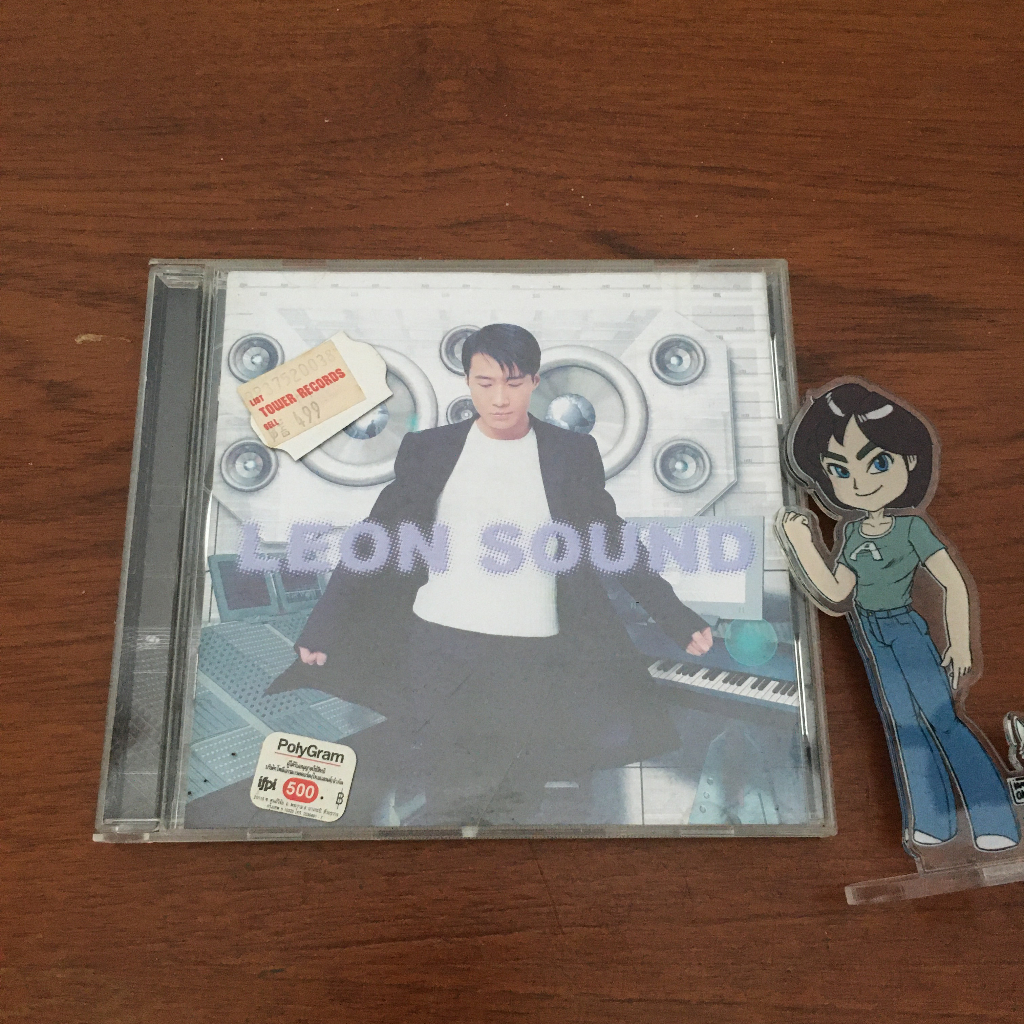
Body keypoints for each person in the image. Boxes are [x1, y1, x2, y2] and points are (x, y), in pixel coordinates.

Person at [281, 323, 713, 825]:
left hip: (532, 651)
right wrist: (323, 625)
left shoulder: (570, 453)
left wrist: (675, 616)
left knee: (518, 796)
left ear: (534, 382)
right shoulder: (429, 449)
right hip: (439, 644)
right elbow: (373, 538)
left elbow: (612, 540)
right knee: (446, 795)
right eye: (485, 383)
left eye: (513, 382)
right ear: (468, 381)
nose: (500, 398)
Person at [778, 380, 1019, 854]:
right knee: (903, 727)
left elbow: (952, 582)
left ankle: (996, 821)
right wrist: (803, 544)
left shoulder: (911, 528)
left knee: (943, 720)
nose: (859, 482)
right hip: (871, 634)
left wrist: (960, 642)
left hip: (906, 630)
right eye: (839, 469)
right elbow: (836, 592)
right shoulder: (850, 533)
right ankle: (934, 823)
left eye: (877, 463)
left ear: (908, 460)